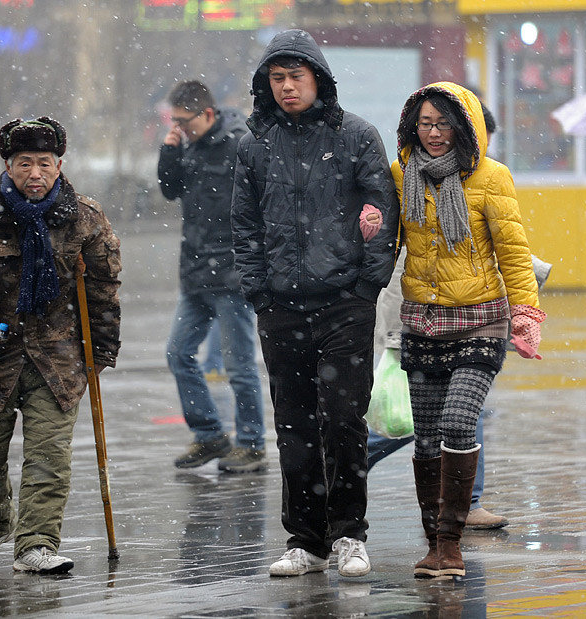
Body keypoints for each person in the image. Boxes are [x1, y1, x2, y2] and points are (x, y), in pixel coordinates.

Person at [231, 29, 399, 578]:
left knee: (345, 419)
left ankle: (349, 534)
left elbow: (383, 211)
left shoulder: (356, 137)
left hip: (344, 304)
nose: (285, 88)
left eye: (295, 77)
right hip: (280, 306)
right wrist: (259, 291)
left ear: (318, 79)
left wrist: (365, 288)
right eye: (276, 78)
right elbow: (244, 225)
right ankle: (305, 540)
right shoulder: (254, 144)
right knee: (294, 424)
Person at [0, 117, 122, 574]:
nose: (35, 174)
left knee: (48, 457)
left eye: (44, 163)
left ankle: (36, 544)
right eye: (24, 164)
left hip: (57, 360)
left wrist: (102, 351)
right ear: (7, 165)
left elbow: (103, 289)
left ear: (59, 164)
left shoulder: (85, 219)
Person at [367, 104, 544, 532]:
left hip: (479, 318)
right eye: (426, 125)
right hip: (416, 314)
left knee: (463, 415)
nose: (434, 133)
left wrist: (524, 309)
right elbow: (389, 244)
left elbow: (505, 248)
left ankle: (464, 510)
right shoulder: (400, 174)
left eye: (443, 125)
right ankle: (344, 472)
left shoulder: (490, 176)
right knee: (413, 421)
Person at [158, 80, 266, 473]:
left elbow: (261, 205)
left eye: (185, 122)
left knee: (239, 366)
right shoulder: (188, 145)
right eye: (175, 122)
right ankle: (209, 436)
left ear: (207, 114)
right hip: (196, 272)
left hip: (232, 272)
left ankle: (252, 444)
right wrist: (169, 151)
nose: (180, 128)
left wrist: (252, 262)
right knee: (177, 353)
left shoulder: (239, 144)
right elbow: (170, 191)